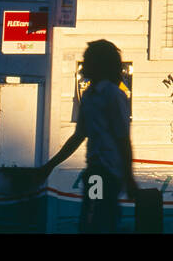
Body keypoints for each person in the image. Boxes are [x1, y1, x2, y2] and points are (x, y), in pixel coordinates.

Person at [31, 40, 139, 233]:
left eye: (88, 60)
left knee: (97, 218)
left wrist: (128, 177)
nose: (85, 65)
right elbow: (79, 136)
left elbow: (123, 139)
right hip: (95, 170)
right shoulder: (89, 96)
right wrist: (50, 166)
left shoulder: (113, 95)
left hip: (105, 172)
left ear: (100, 65)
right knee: (94, 218)